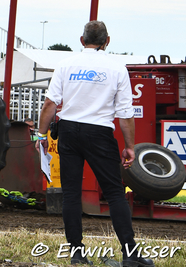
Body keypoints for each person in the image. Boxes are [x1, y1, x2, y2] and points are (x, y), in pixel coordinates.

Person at [37, 21, 154, 267]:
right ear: (107, 41)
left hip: (68, 131)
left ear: (82, 40)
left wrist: (41, 136)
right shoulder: (117, 68)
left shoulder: (66, 64)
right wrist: (130, 146)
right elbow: (125, 113)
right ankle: (130, 255)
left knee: (71, 194)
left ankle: (77, 254)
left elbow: (50, 105)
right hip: (100, 133)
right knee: (114, 193)